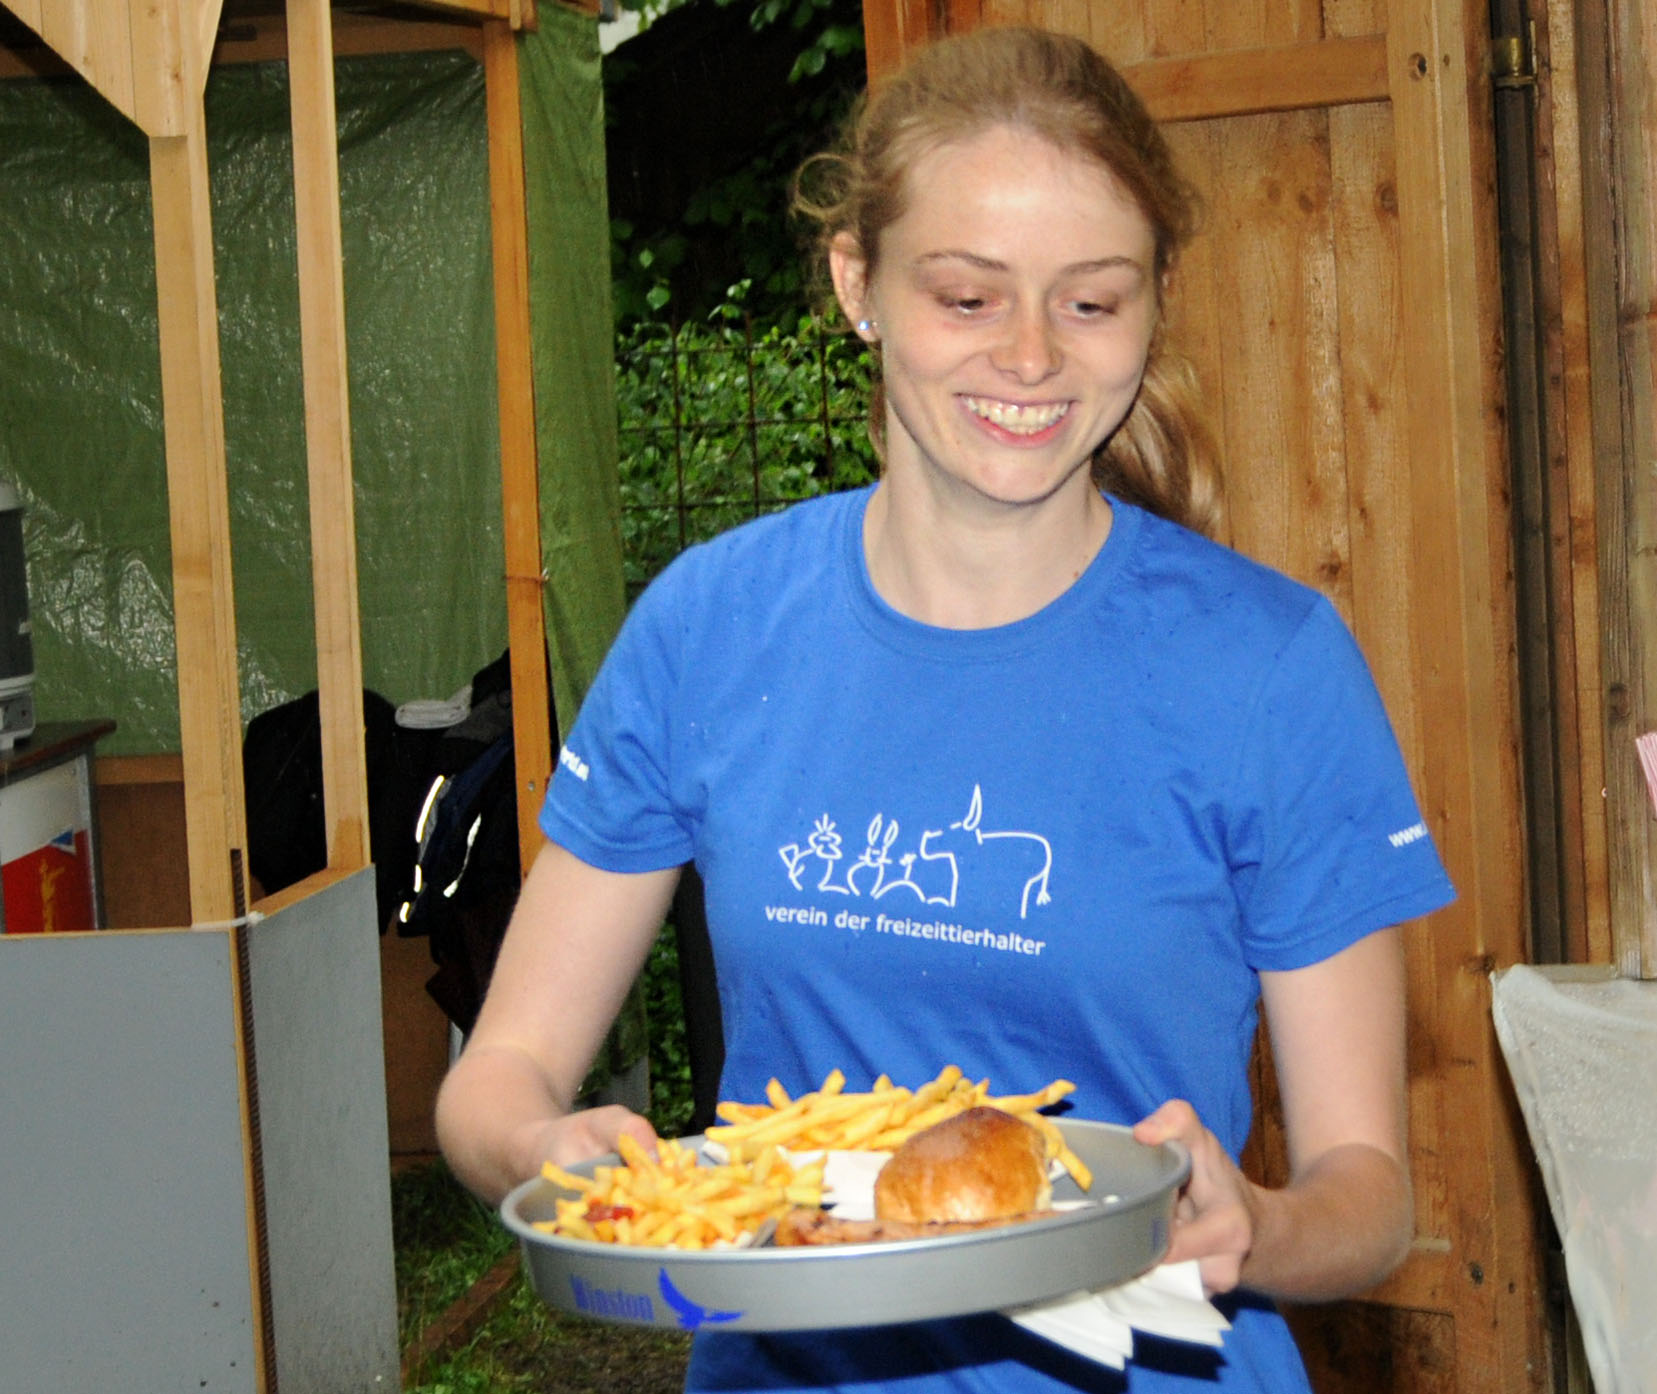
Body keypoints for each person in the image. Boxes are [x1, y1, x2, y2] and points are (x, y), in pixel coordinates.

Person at [436, 25, 1456, 1393]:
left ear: (1154, 303)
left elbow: (1367, 1194)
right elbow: (497, 1070)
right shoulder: (709, 626)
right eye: (968, 296)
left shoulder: (1270, 666)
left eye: (1090, 302)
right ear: (857, 283)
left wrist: (1255, 1223)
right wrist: (536, 1144)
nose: (1030, 355)